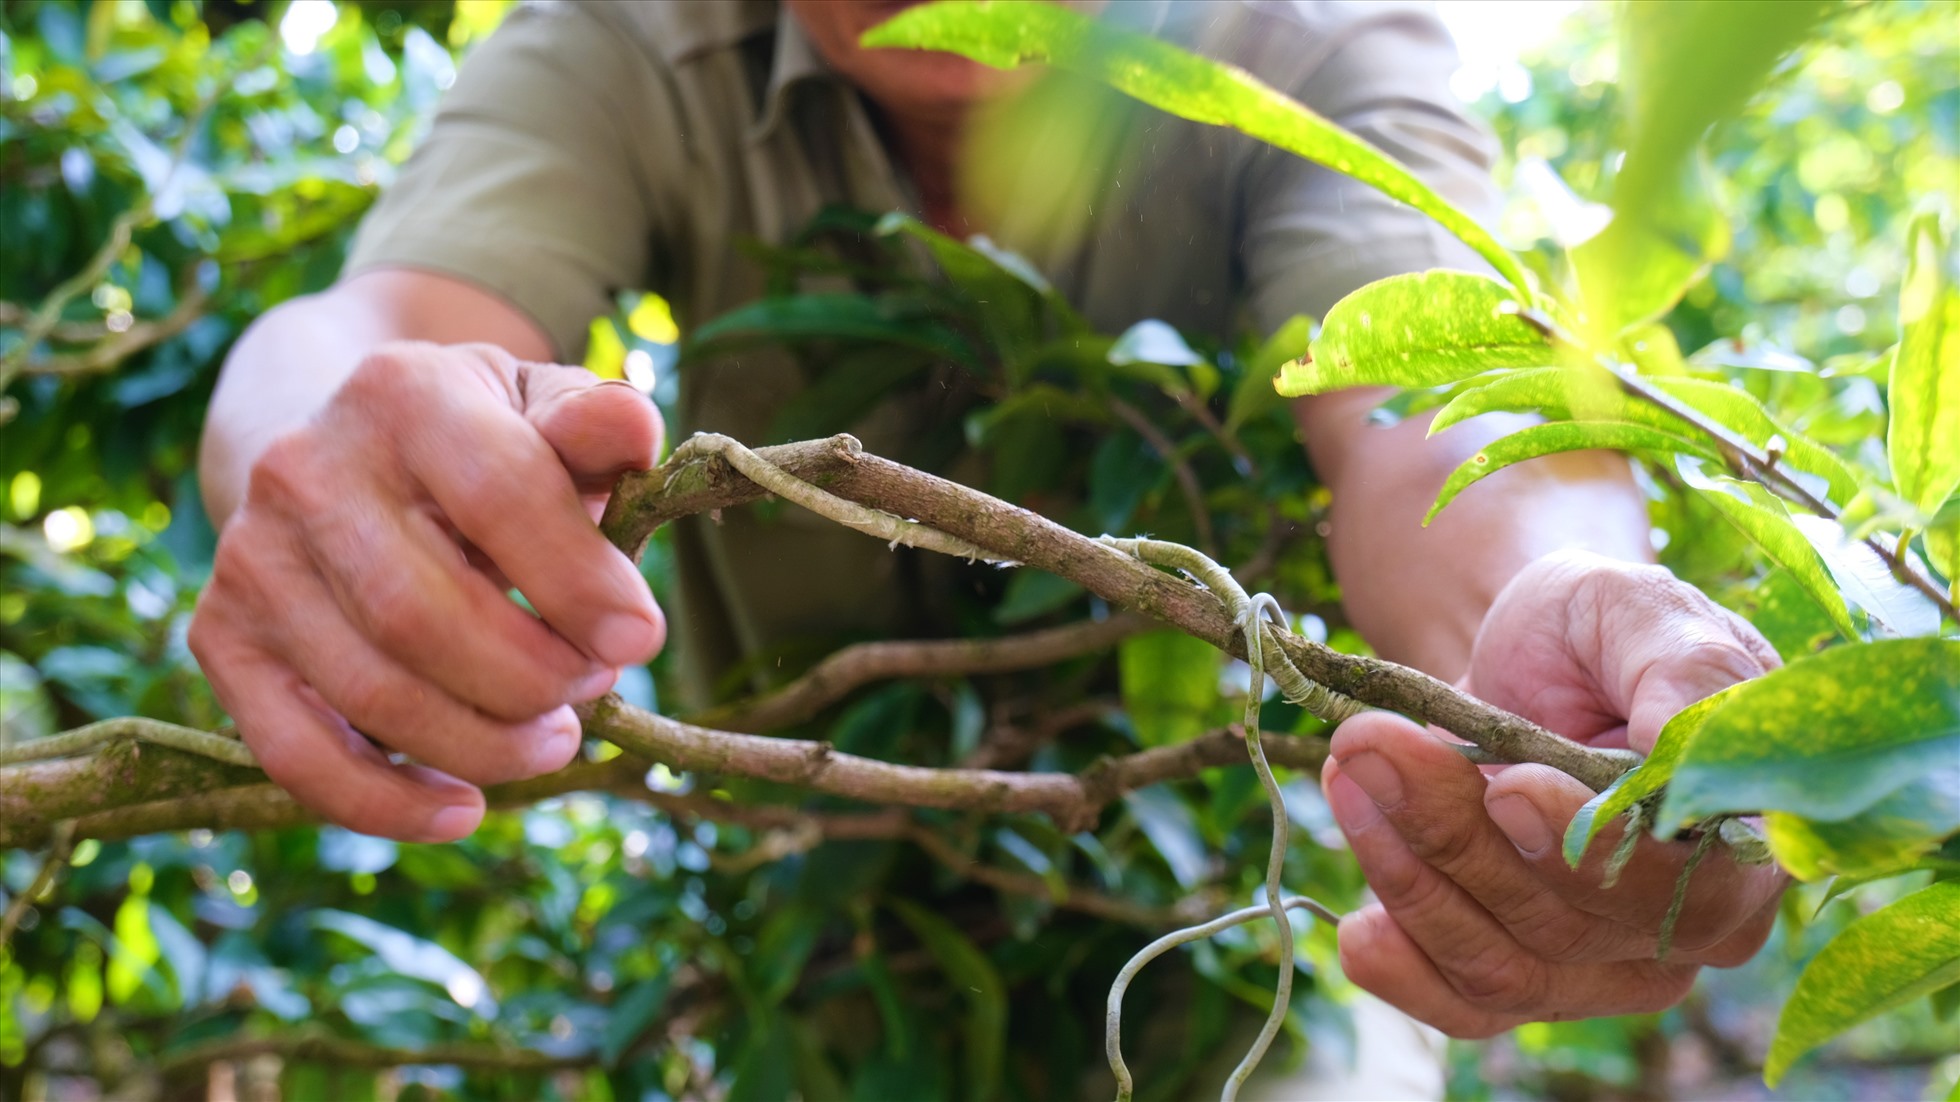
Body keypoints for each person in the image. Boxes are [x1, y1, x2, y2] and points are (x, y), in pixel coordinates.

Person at [188, 0, 1787, 1083]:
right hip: (818, 922)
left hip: (1262, 923)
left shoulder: (1304, 41)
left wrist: (1571, 632)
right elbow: (383, 330)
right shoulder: (631, 40)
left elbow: (1437, 416)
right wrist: (332, 463)